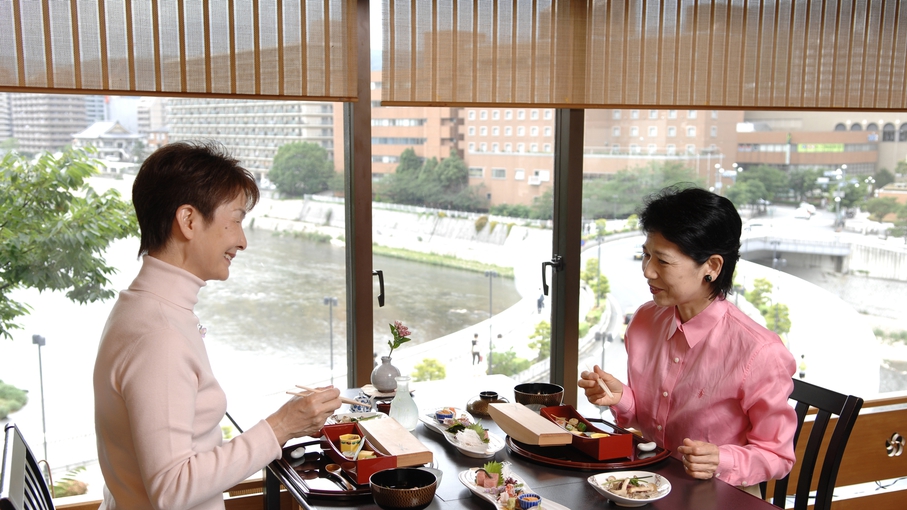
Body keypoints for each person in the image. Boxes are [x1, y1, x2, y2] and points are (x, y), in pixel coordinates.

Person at [93, 142, 342, 510]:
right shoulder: (159, 336)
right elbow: (174, 488)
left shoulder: (142, 307)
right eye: (237, 219)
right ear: (189, 220)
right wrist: (281, 426)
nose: (242, 241)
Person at [578, 186, 797, 494]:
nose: (647, 271)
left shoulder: (760, 352)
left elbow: (777, 455)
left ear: (712, 267)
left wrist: (721, 459)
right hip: (648, 481)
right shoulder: (644, 322)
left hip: (720, 493)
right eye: (646, 255)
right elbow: (651, 424)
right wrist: (622, 398)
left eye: (663, 261)